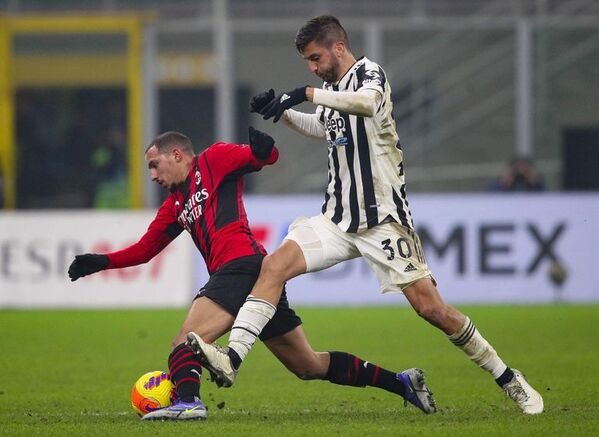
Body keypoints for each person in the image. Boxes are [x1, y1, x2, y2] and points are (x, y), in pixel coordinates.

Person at [187, 15, 544, 415]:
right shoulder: (329, 88)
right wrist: (282, 111)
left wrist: (303, 92)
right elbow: (323, 127)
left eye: (316, 57)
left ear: (339, 47)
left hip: (383, 221)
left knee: (432, 310)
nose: (313, 67)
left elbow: (368, 104)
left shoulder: (369, 74)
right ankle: (231, 359)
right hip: (336, 220)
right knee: (273, 266)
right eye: (308, 61)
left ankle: (508, 378)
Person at [68, 128, 437, 421]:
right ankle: (402, 383)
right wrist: (102, 262)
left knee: (184, 343)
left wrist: (265, 149)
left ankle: (189, 403)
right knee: (307, 365)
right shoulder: (176, 205)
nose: (152, 175)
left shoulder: (213, 160)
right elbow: (146, 249)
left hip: (241, 265)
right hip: (258, 277)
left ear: (176, 155)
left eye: (154, 165)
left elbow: (264, 157)